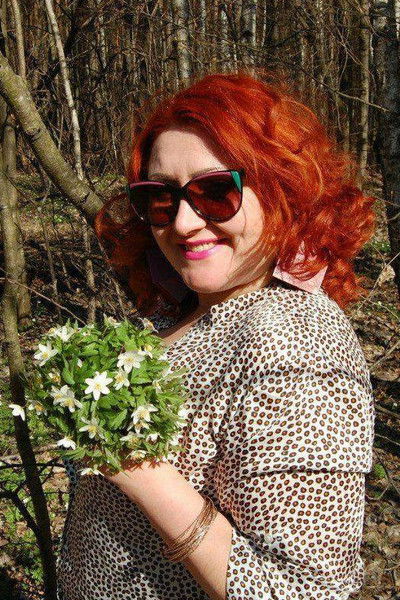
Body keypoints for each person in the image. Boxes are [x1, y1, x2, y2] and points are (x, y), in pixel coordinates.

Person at [56, 70, 376, 600]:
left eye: (215, 191)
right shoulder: (183, 312)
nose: (183, 223)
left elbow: (302, 589)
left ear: (283, 190)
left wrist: (137, 466)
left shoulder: (295, 342)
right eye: (160, 198)